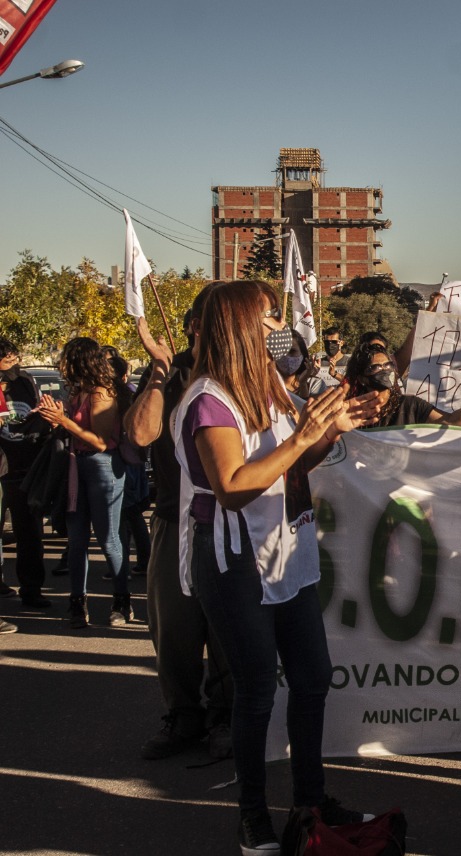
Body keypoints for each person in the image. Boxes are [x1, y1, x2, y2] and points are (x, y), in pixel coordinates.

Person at [173, 281, 377, 854]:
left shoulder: (269, 385)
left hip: (289, 553)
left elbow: (291, 464)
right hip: (236, 561)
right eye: (268, 317)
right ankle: (253, 814)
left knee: (312, 678)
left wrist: (329, 429)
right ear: (240, 326)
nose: (277, 326)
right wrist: (306, 435)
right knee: (257, 688)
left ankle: (311, 802)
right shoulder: (208, 400)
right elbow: (235, 485)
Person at [124, 293, 237, 760]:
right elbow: (138, 435)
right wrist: (157, 375)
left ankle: (227, 717)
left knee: (230, 631)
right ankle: (184, 717)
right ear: (192, 326)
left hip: (232, 522)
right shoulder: (168, 376)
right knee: (174, 628)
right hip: (175, 520)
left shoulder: (241, 375)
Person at [34, 337, 131, 628]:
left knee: (108, 539)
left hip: (102, 467)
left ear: (81, 362)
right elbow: (74, 430)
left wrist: (64, 422)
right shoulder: (79, 392)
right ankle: (78, 603)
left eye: (67, 360)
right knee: (76, 541)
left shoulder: (101, 393)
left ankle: (122, 601)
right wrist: (55, 418)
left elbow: (101, 442)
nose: (63, 366)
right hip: (78, 466)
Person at [343, 341, 461, 429]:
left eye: (388, 365)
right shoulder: (351, 411)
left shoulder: (410, 406)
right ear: (362, 378)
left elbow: (451, 421)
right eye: (376, 367)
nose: (385, 370)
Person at [0, 337, 51, 611]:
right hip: (3, 468)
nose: (14, 365)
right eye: (7, 360)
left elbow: (37, 412)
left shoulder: (25, 381)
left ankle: (32, 590)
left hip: (24, 468)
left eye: (15, 358)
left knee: (29, 534)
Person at [106, 348, 151, 579]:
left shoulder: (121, 397)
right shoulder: (128, 395)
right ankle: (140, 561)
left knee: (126, 516)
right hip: (131, 462)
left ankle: (134, 563)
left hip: (124, 463)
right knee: (129, 516)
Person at [278, 330, 324, 400]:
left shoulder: (314, 384)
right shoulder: (266, 386)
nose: (287, 357)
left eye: (292, 351)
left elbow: (309, 408)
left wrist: (303, 384)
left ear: (302, 354)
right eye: (282, 351)